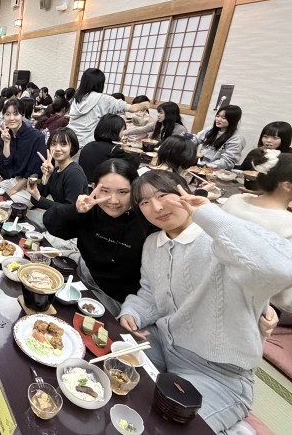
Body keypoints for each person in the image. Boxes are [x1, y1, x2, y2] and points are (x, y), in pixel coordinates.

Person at [119, 170, 292, 434]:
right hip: (164, 344)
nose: (156, 207)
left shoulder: (221, 241)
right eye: (144, 202)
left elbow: (282, 268)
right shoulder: (154, 243)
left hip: (219, 374)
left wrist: (210, 215)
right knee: (113, 370)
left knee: (162, 427)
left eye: (163, 195)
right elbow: (150, 293)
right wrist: (134, 312)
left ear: (184, 193)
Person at [44, 159, 153, 316]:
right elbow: (52, 224)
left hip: (113, 295)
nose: (113, 200)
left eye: (123, 192)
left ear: (135, 191)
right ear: (94, 187)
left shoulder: (146, 222)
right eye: (105, 191)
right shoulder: (92, 209)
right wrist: (75, 210)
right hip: (83, 270)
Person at [223, 148, 292, 318]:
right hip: (258, 304)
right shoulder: (287, 224)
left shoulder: (234, 201)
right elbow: (284, 287)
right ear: (287, 186)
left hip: (219, 284)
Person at [68, 68, 149, 148]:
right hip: (87, 144)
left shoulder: (76, 98)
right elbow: (133, 108)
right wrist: (144, 104)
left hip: (70, 141)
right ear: (100, 84)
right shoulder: (102, 99)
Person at [27, 127, 89, 216]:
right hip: (56, 217)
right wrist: (46, 176)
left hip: (68, 222)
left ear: (72, 147)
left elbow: (71, 211)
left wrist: (39, 198)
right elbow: (35, 200)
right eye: (53, 144)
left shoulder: (74, 173)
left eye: (63, 144)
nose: (57, 149)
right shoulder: (56, 170)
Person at [79, 113, 140, 182]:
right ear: (116, 130)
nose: (123, 133)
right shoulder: (115, 150)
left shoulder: (88, 145)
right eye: (123, 129)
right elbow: (133, 164)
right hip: (102, 185)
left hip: (85, 183)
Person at [0, 98, 46, 181]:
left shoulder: (37, 137)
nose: (11, 118)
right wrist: (6, 143)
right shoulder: (5, 135)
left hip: (29, 184)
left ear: (23, 116)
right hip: (9, 180)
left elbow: (35, 173)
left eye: (16, 114)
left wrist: (14, 188)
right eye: (7, 114)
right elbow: (5, 167)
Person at [193, 105, 245, 170]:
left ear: (233, 120)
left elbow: (227, 162)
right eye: (218, 116)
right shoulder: (210, 129)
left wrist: (206, 166)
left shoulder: (237, 139)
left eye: (224, 118)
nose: (218, 119)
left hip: (216, 171)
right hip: (200, 166)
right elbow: (195, 139)